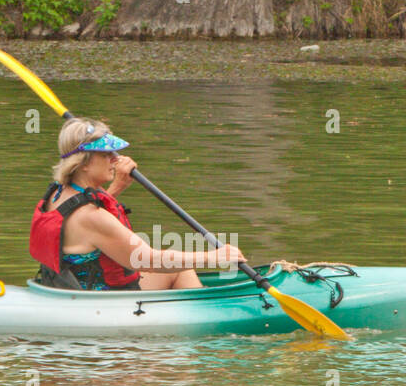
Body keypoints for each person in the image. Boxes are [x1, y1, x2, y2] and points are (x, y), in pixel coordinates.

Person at [29, 118, 245, 291]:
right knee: (179, 268)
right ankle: (207, 327)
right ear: (83, 163)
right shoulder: (91, 217)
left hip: (64, 288)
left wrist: (117, 187)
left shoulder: (58, 194)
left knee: (179, 268)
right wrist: (214, 257)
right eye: (105, 154)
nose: (114, 159)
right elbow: (144, 259)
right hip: (99, 304)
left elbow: (84, 222)